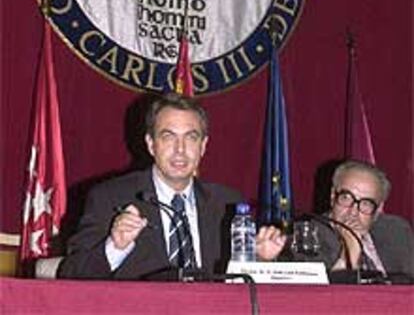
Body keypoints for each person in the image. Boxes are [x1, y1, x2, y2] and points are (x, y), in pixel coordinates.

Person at [58, 93, 286, 280]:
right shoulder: (110, 197)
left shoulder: (227, 203)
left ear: (203, 146)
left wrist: (260, 260)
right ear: (151, 144)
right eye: (168, 137)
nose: (180, 149)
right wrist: (115, 247)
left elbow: (239, 284)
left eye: (191, 138)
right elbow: (71, 274)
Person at [292, 160, 414, 282]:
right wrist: (347, 256)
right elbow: (315, 296)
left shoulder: (397, 230)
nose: (353, 211)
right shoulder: (307, 236)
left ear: (379, 209)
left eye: (366, 203)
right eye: (346, 198)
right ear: (333, 196)